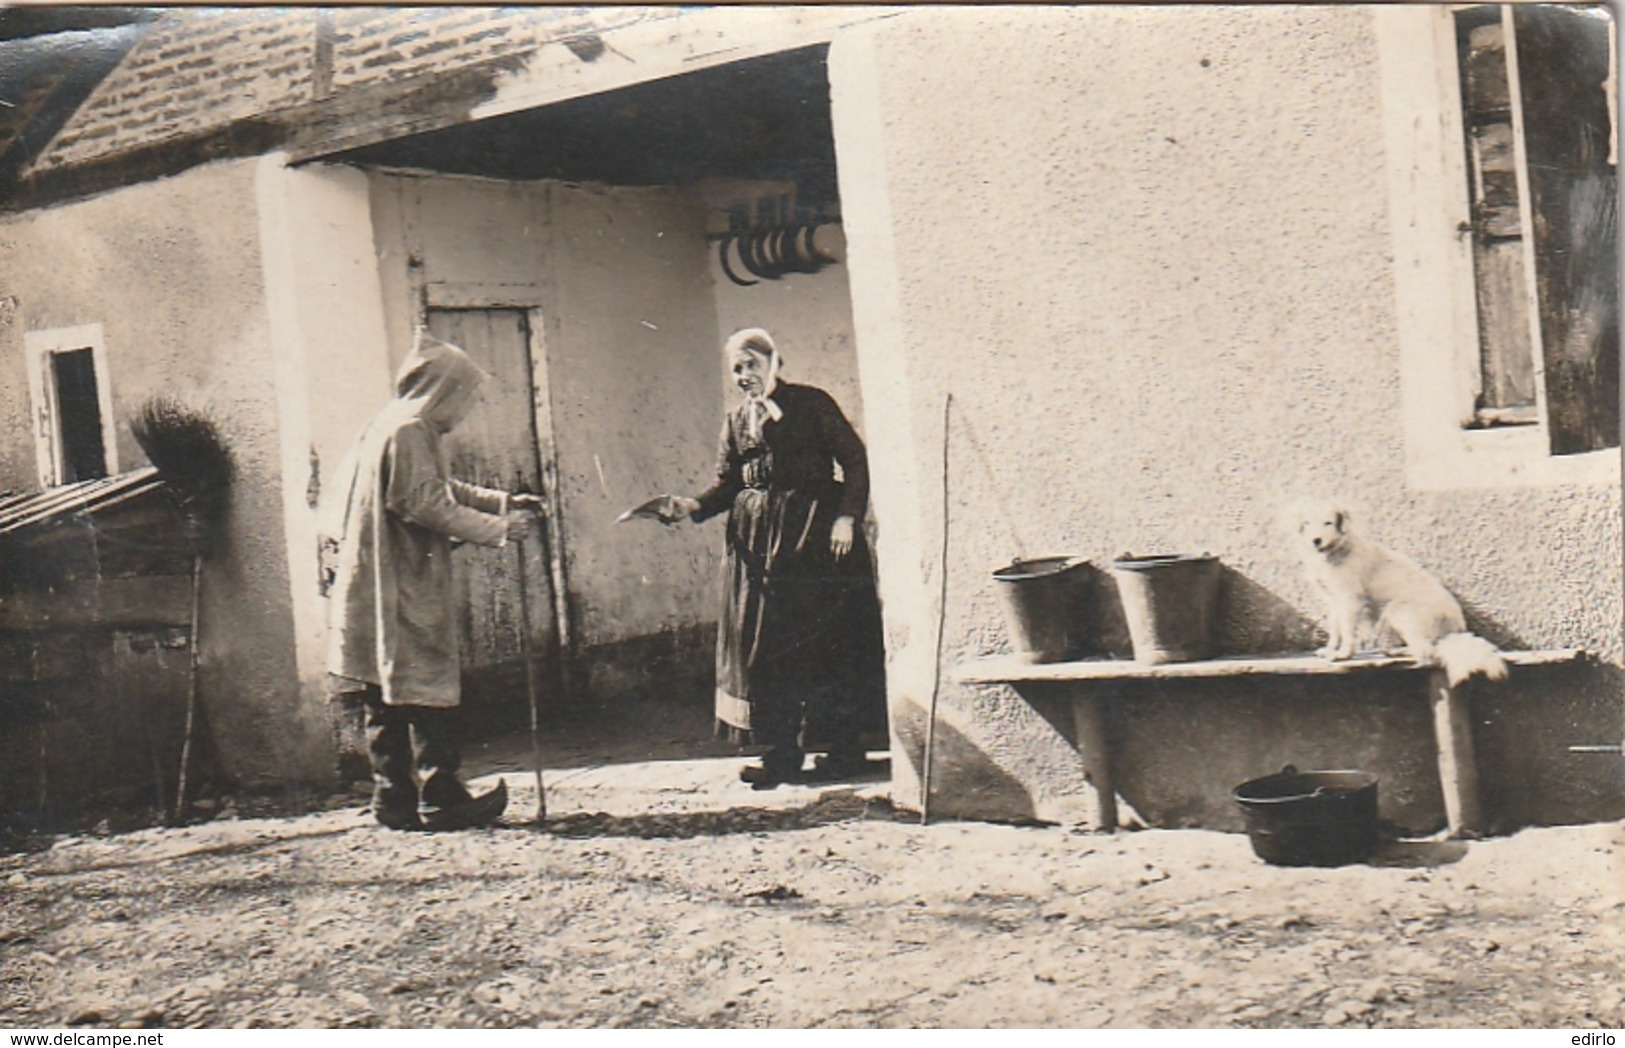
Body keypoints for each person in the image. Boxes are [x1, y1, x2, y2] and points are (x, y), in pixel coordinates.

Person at [324, 330, 543, 830]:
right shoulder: (410, 430)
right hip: (401, 579)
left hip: (378, 578)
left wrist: (501, 501)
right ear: (444, 390)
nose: (465, 409)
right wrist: (499, 530)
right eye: (465, 397)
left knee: (385, 687)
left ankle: (394, 798)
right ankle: (442, 796)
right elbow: (421, 502)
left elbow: (435, 487)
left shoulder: (390, 425)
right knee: (424, 684)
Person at [665, 328, 887, 788]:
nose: (745, 375)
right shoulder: (735, 421)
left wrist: (847, 517)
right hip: (759, 549)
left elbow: (855, 460)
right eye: (737, 369)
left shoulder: (812, 404)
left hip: (817, 542)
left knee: (827, 644)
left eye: (752, 364)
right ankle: (780, 755)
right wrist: (693, 506)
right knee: (766, 648)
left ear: (773, 361)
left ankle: (843, 749)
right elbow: (729, 484)